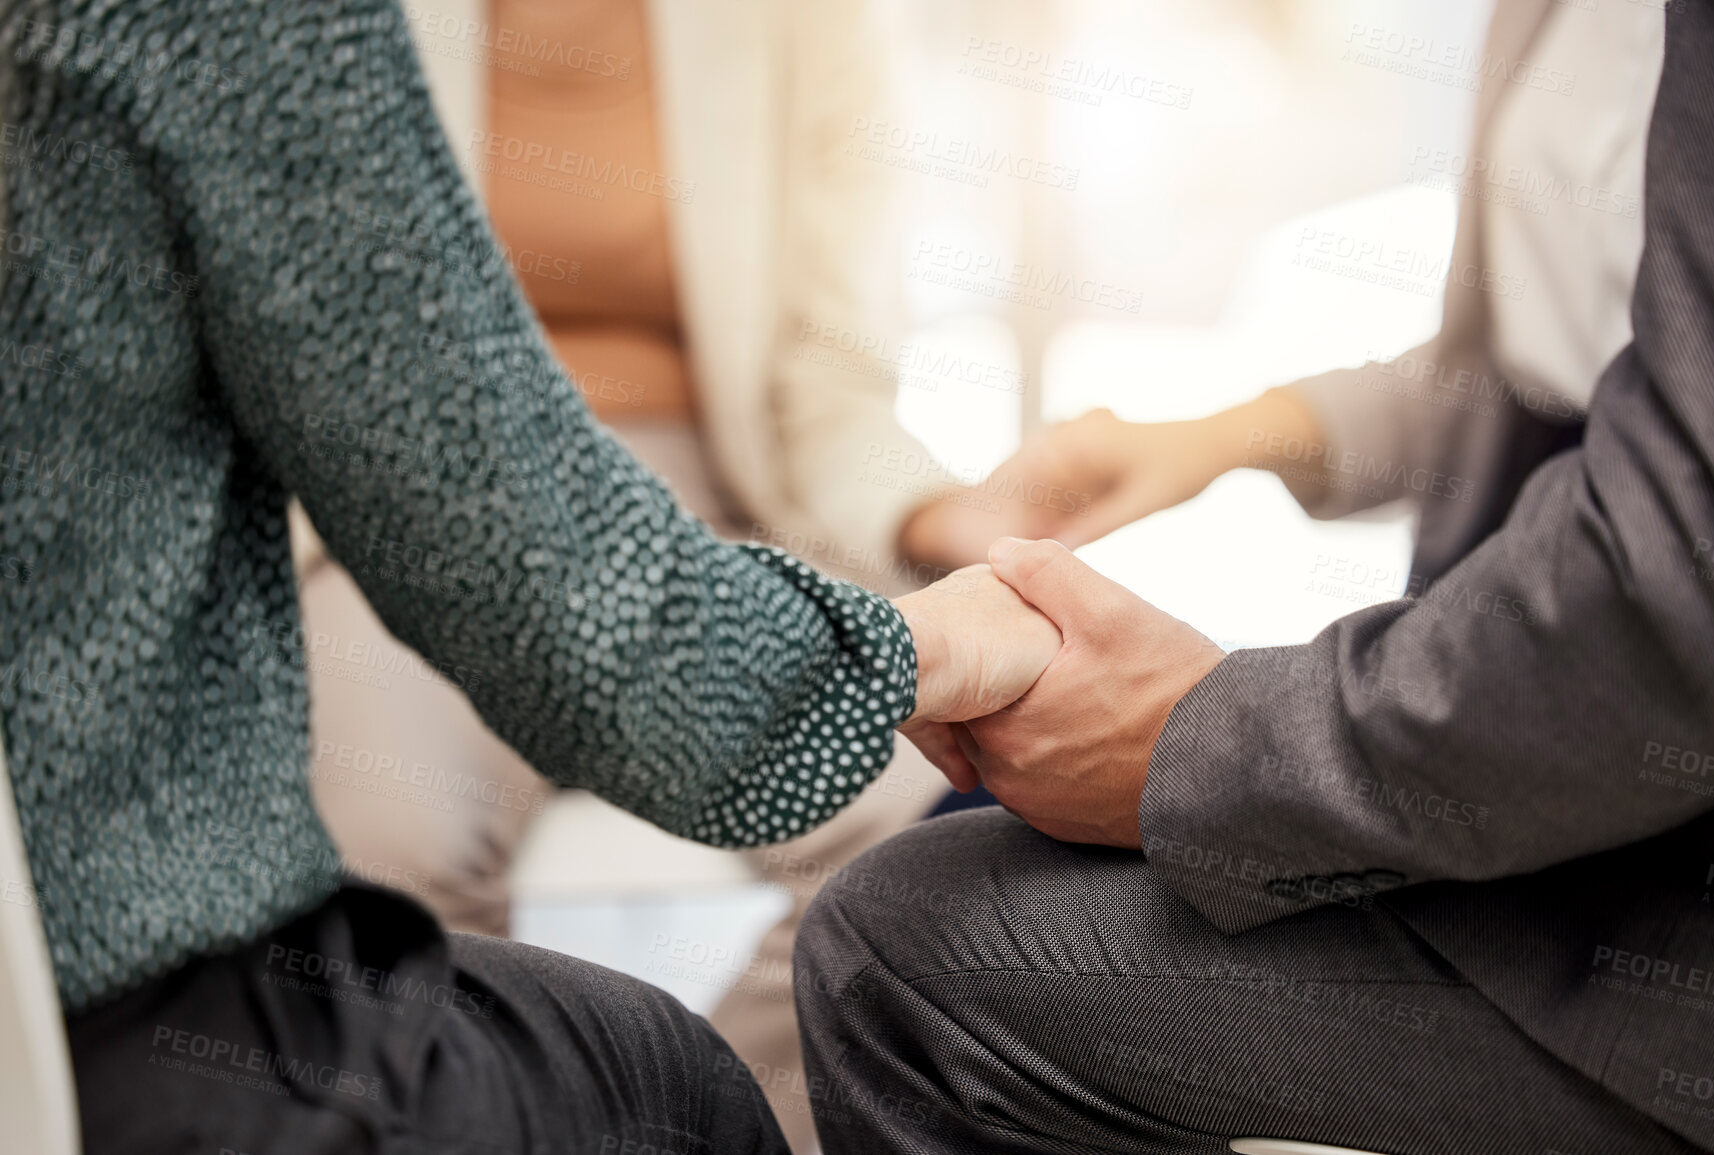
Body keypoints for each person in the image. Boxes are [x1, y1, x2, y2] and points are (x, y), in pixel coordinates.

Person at [0, 2, 1060, 1151]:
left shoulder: (802, 23)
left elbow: (827, 385)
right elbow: (551, 587)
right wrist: (914, 653)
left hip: (720, 505)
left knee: (920, 859)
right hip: (416, 521)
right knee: (396, 848)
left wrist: (937, 514)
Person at [795, 0, 1714, 1152]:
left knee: (909, 955)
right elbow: (1558, 358)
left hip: (1676, 911)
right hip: (1550, 760)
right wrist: (1226, 434)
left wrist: (1196, 736)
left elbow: (1677, 589)